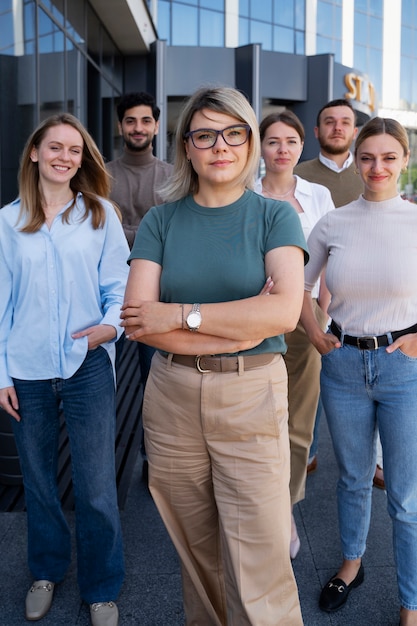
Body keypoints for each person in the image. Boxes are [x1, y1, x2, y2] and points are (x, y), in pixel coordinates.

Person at [120, 86, 308, 625]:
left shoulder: (276, 217)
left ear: (249, 142)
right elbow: (139, 321)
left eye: (233, 133)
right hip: (172, 398)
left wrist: (180, 315)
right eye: (204, 134)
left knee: (260, 557)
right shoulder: (161, 220)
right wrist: (240, 320)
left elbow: (281, 316)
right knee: (195, 552)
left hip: (251, 393)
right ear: (187, 147)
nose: (219, 146)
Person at [0, 113, 129, 626]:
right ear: (34, 153)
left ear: (83, 159)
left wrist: (108, 328)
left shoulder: (99, 214)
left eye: (74, 150)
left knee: (96, 485)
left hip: (86, 365)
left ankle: (101, 588)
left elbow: (119, 289)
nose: (65, 157)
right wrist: (1, 375)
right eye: (55, 147)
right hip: (26, 369)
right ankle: (46, 571)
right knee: (37, 481)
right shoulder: (7, 223)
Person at [300, 117, 417, 625]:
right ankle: (352, 564)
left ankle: (410, 604)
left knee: (406, 494)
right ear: (356, 158)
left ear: (404, 161)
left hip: (402, 369)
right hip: (343, 364)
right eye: (368, 156)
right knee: (350, 477)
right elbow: (297, 287)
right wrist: (313, 334)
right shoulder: (334, 222)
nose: (377, 167)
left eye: (389, 157)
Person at [254, 110, 335, 559]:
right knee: (258, 419)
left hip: (307, 322)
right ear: (260, 147)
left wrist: (323, 313)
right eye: (272, 141)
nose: (282, 148)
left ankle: (284, 509)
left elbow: (329, 258)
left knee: (299, 422)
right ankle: (257, 508)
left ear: (302, 147)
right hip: (257, 321)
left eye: (290, 140)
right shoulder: (245, 193)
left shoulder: (318, 194)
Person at [295, 98, 364, 474]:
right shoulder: (300, 174)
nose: (337, 127)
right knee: (312, 368)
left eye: (345, 122)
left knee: (365, 371)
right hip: (313, 287)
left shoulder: (370, 172)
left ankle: (370, 458)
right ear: (318, 131)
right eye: (329, 122)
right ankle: (307, 450)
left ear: (354, 131)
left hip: (362, 291)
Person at [107, 92, 173, 475]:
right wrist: (150, 230)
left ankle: (154, 459)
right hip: (109, 295)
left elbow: (173, 234)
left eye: (145, 120)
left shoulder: (170, 175)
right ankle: (107, 459)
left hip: (158, 297)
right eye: (130, 121)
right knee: (105, 383)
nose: (138, 128)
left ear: (156, 126)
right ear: (121, 126)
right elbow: (98, 229)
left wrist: (124, 230)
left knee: (156, 382)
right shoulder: (101, 172)